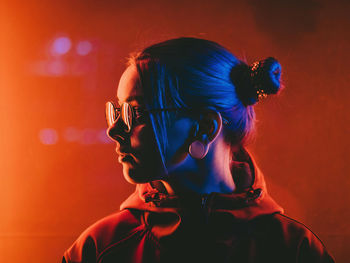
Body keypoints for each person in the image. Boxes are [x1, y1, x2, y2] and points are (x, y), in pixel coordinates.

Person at [62, 37, 335, 263]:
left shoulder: (294, 251)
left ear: (205, 127)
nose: (114, 130)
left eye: (135, 112)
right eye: (117, 112)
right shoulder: (97, 249)